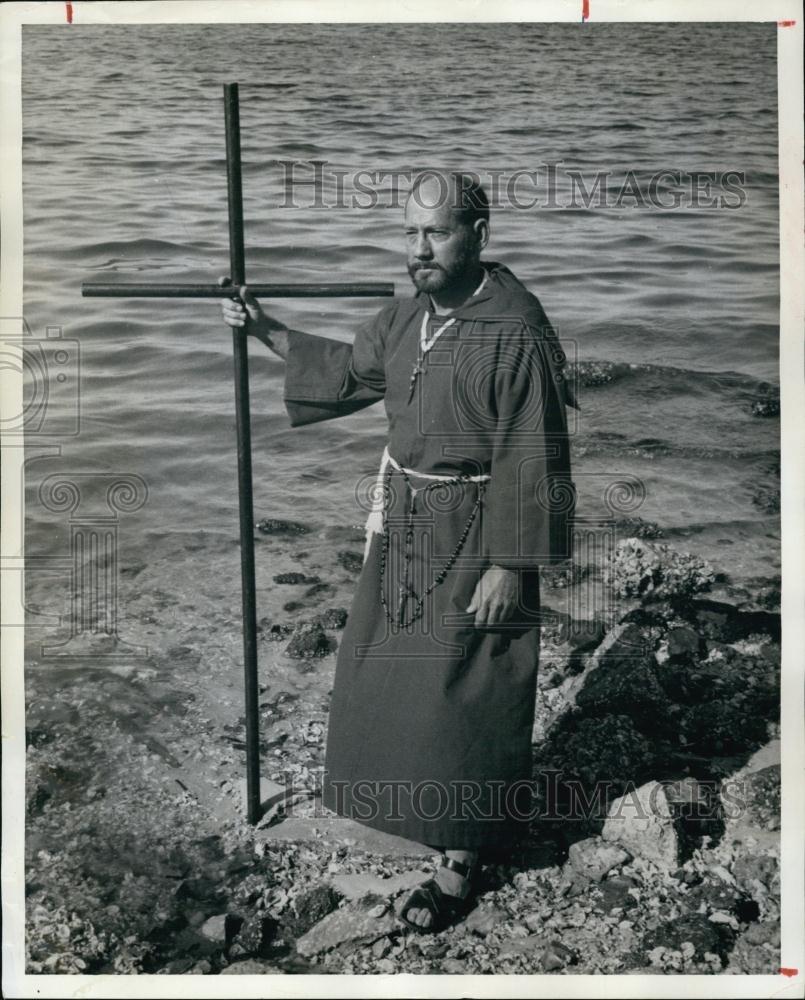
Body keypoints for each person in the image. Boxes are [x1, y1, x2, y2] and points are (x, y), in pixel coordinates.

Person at [220, 171, 576, 933]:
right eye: (409, 233)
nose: (418, 250)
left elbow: (536, 453)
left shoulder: (515, 328)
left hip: (479, 525)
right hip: (405, 516)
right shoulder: (408, 315)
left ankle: (460, 855)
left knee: (467, 679)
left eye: (436, 233)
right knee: (385, 665)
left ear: (478, 233)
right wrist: (261, 328)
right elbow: (349, 373)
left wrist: (511, 565)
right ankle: (405, 799)